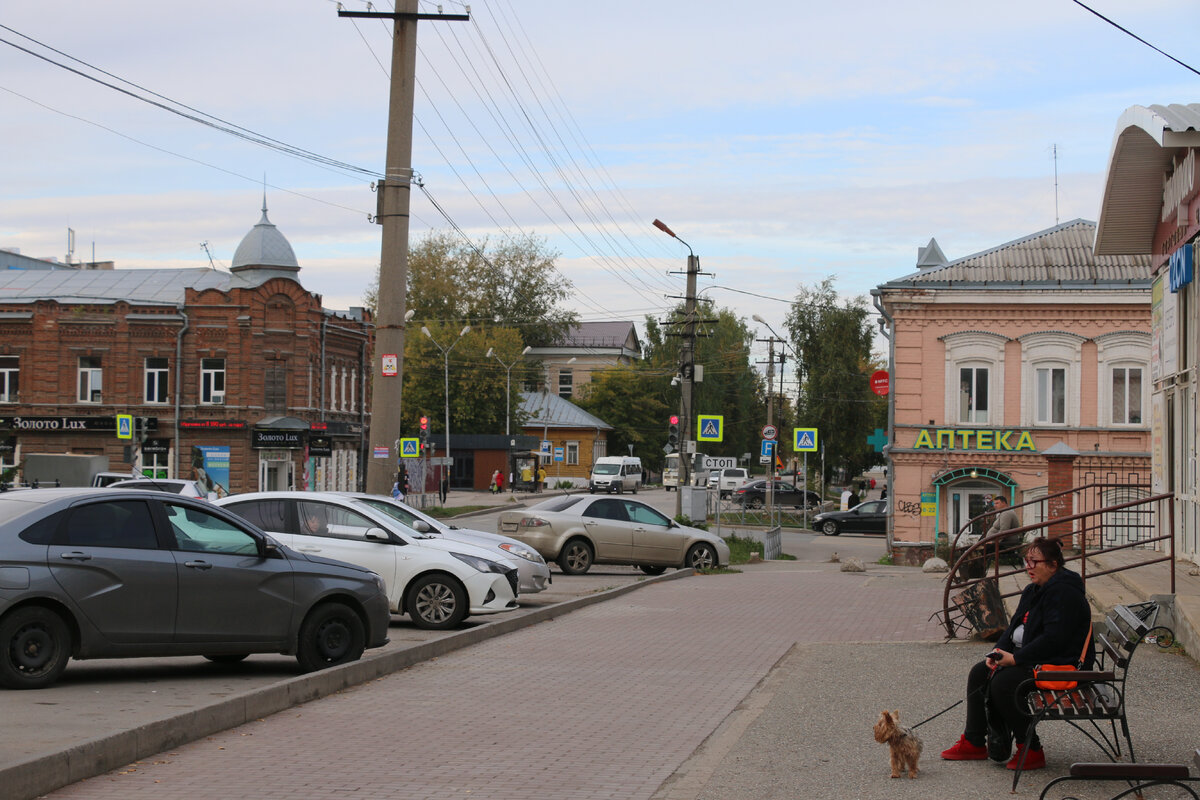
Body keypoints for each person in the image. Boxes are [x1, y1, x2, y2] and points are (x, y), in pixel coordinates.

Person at [941, 536, 1094, 771]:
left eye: (1035, 562)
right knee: (980, 672)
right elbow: (1012, 628)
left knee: (1005, 683)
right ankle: (974, 742)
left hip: (1062, 664)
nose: (1028, 567)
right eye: (1026, 561)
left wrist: (1016, 659)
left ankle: (1031, 748)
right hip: (1039, 659)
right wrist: (997, 652)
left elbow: (1055, 640)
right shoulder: (1034, 590)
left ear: (1053, 564)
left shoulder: (1065, 593)